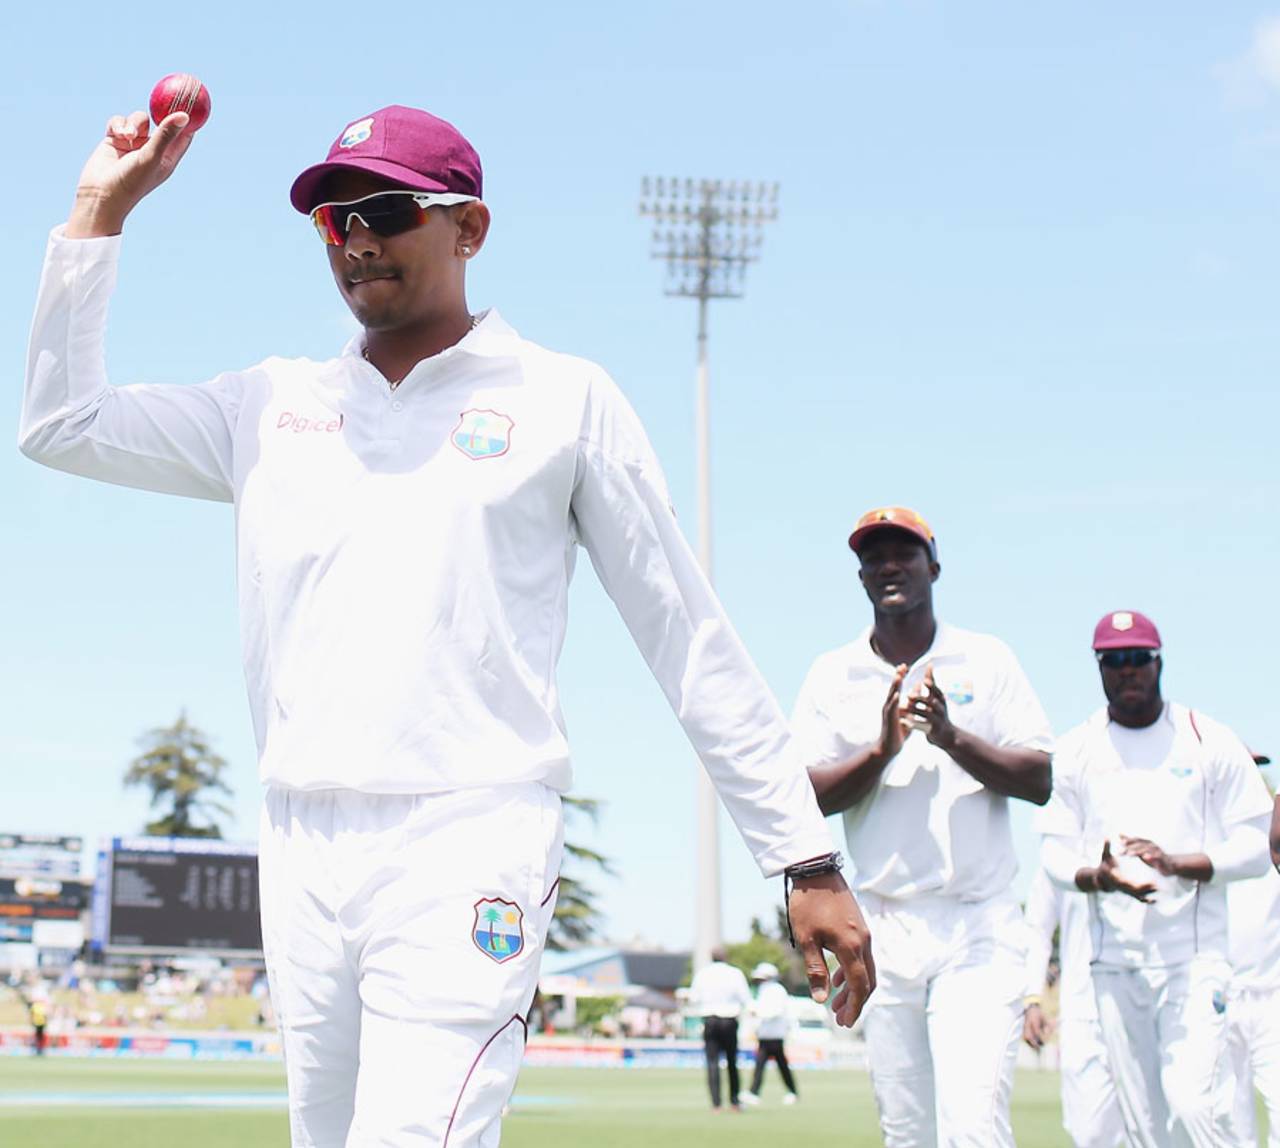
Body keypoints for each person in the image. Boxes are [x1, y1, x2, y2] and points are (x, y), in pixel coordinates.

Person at [19, 102, 875, 1146]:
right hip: (300, 838)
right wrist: (95, 216)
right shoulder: (269, 404)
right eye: (334, 219)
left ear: (467, 227)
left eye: (384, 208)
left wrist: (801, 854)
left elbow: (684, 632)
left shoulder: (562, 398)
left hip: (470, 833)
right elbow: (64, 426)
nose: (357, 236)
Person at [790, 505, 1053, 1147]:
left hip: (978, 923)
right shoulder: (833, 673)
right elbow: (805, 799)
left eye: (903, 553)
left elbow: (1039, 781)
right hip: (883, 924)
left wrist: (949, 736)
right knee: (905, 1131)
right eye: (873, 556)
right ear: (859, 577)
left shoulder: (985, 658)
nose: (888, 566)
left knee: (973, 1125)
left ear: (934, 566)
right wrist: (881, 751)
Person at [1038, 610, 1273, 1148]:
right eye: (1115, 661)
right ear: (1099, 668)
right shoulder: (1075, 750)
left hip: (1194, 961)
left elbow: (1256, 849)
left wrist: (1180, 863)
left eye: (1138, 659)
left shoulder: (1209, 740)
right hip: (1113, 964)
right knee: (1144, 1125)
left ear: (1158, 661)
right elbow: (1052, 852)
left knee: (1195, 1105)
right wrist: (1095, 878)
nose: (1128, 671)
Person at [1022, 865, 1124, 1148]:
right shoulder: (1057, 852)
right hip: (1082, 1011)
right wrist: (1032, 998)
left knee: (1154, 1127)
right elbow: (1037, 926)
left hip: (1148, 1006)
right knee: (1089, 1133)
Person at [1225, 761, 1280, 1146]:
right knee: (1228, 1116)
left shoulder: (1274, 845)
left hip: (1272, 997)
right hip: (1220, 999)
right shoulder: (1208, 844)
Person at [689, 947, 752, 1112]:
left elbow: (694, 998)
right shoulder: (735, 973)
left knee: (712, 1063)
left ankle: (716, 1104)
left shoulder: (703, 974)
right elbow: (745, 998)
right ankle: (734, 1102)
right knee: (732, 1062)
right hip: (729, 1020)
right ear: (725, 957)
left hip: (710, 1020)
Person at [741, 960, 799, 1107]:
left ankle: (791, 1092)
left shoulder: (777, 990)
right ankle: (755, 1092)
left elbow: (776, 1011)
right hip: (765, 1035)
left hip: (775, 1035)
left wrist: (758, 1013)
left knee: (780, 1066)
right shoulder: (763, 990)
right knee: (763, 1065)